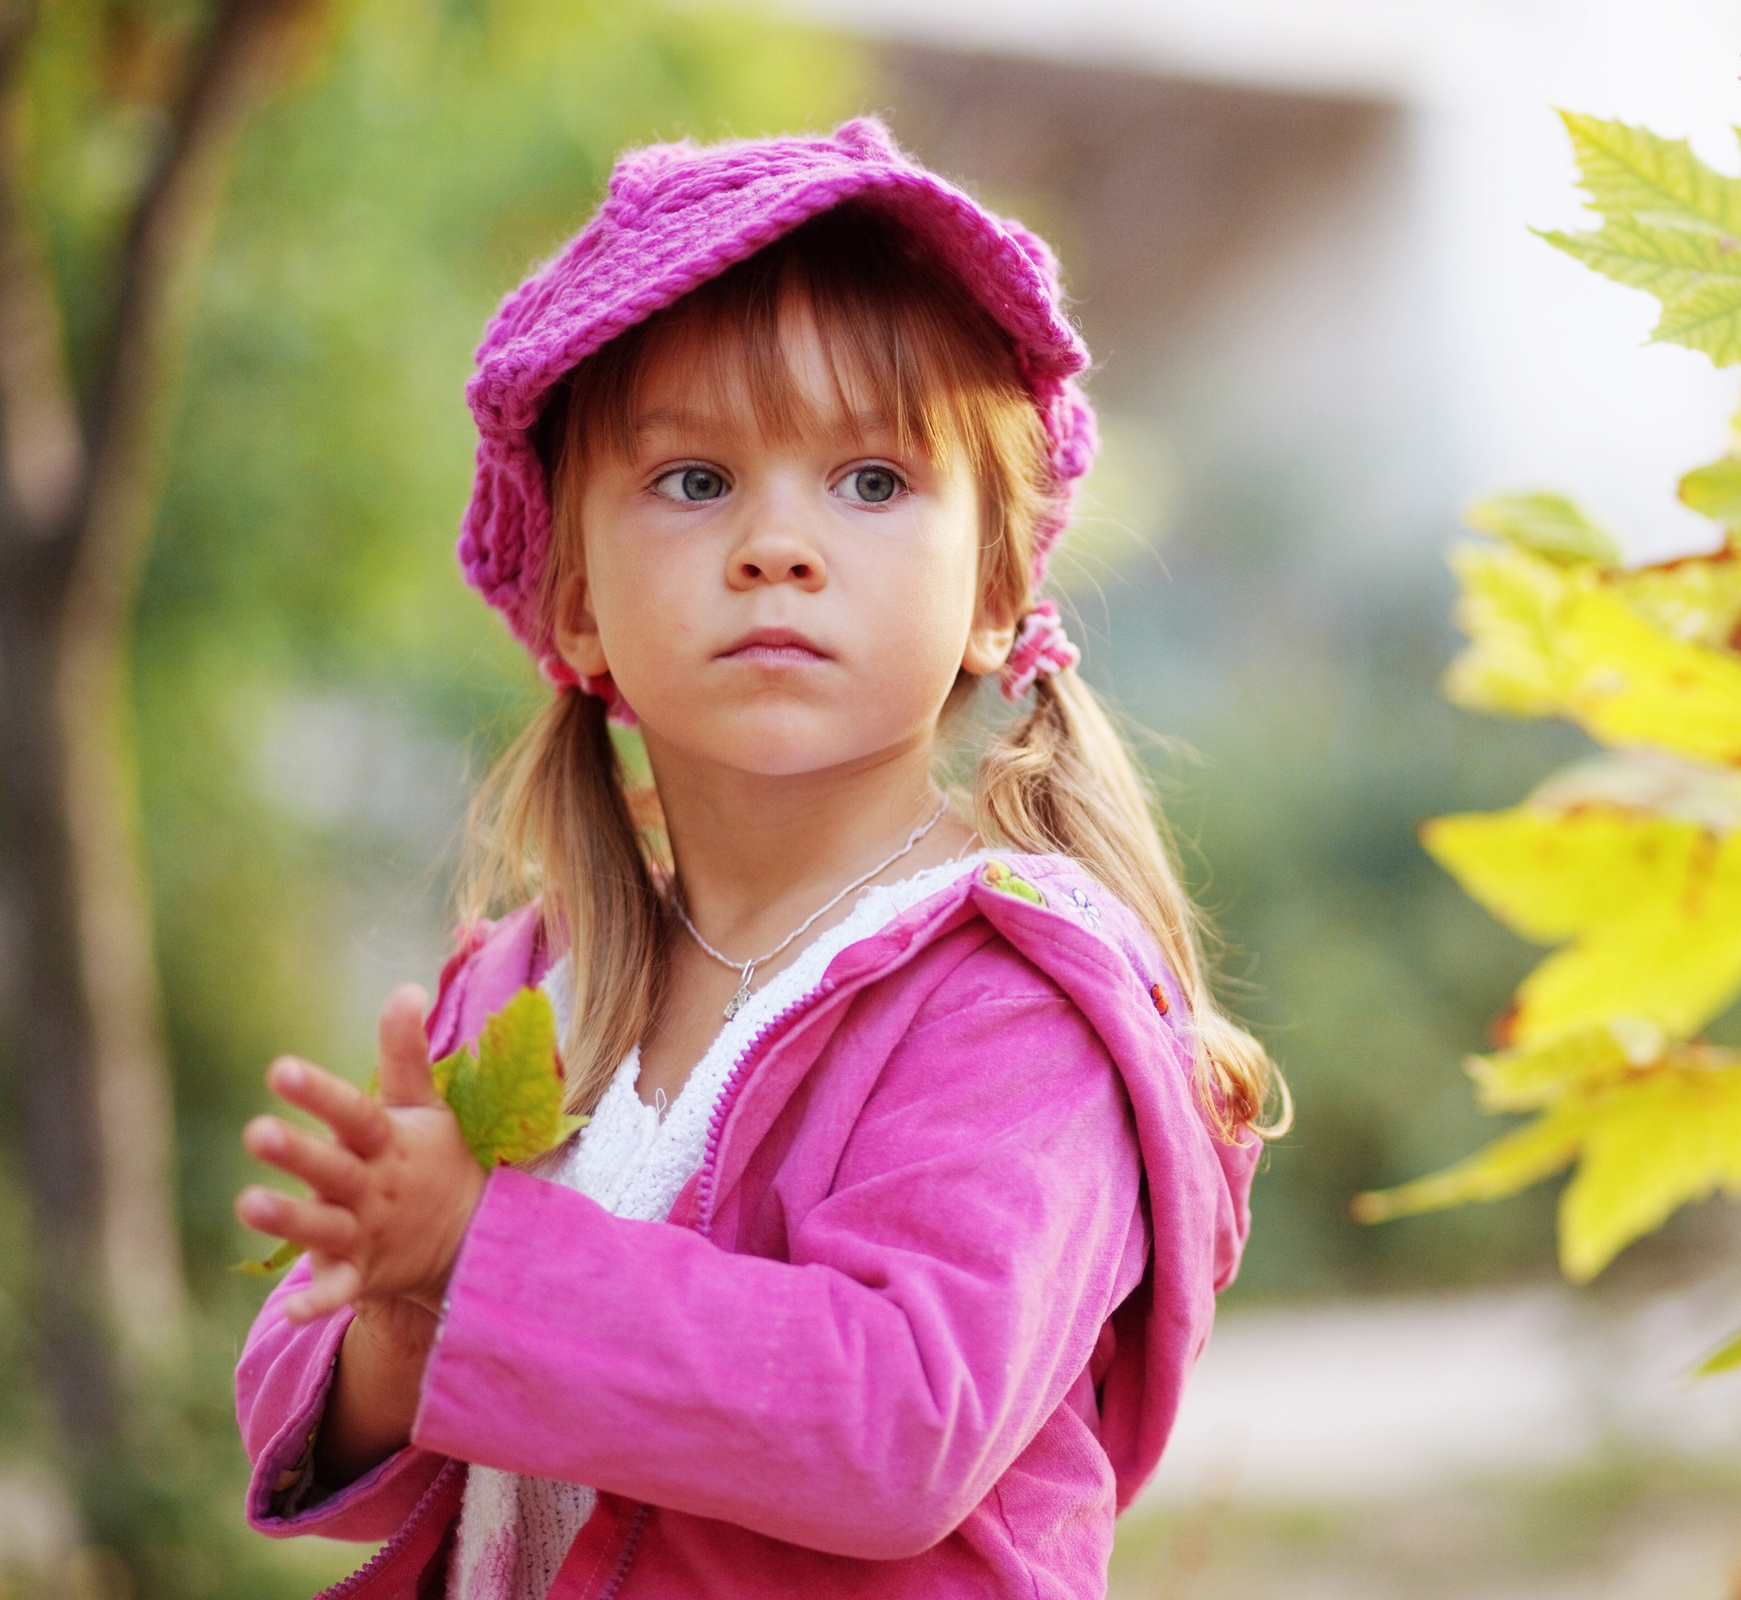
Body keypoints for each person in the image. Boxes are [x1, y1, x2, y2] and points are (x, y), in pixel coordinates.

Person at [229, 118, 1279, 1599]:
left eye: (868, 482)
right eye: (695, 481)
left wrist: (484, 1258)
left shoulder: (1019, 1003)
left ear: (993, 591)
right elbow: (300, 1415)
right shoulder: (533, 985)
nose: (777, 545)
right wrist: (399, 1315)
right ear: (578, 603)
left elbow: (901, 1422)